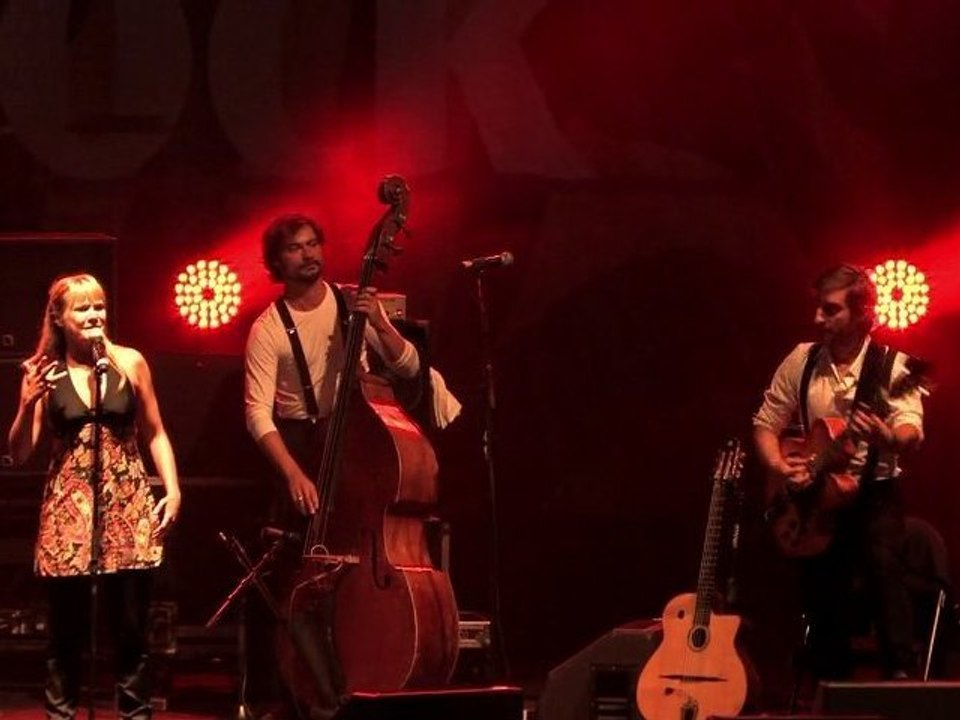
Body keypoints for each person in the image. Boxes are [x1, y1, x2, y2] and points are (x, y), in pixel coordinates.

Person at [242, 213, 434, 718]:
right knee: (299, 596)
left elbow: (410, 366)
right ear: (276, 263)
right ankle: (325, 703)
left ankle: (365, 685)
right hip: (302, 448)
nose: (308, 255)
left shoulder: (353, 304)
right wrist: (293, 474)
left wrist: (379, 326)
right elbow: (257, 412)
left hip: (358, 444)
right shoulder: (268, 329)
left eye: (313, 244)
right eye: (295, 249)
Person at [6, 273, 181, 720]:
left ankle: (134, 714)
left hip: (127, 504)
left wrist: (173, 489)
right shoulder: (45, 371)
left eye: (99, 306)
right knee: (67, 636)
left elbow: (155, 431)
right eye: (82, 308)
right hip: (70, 512)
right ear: (60, 319)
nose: (94, 315)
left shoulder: (130, 362)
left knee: (130, 634)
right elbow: (19, 452)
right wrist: (26, 403)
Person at [753, 264, 925, 681]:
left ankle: (901, 679)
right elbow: (766, 424)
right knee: (820, 590)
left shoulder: (895, 367)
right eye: (818, 309)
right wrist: (780, 465)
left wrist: (888, 435)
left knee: (883, 565)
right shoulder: (802, 359)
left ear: (860, 314)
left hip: (873, 493)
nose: (817, 319)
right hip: (814, 494)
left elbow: (911, 430)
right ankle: (828, 687)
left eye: (830, 310)